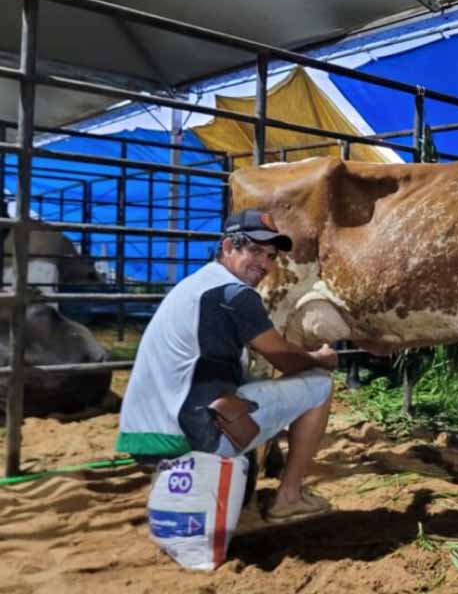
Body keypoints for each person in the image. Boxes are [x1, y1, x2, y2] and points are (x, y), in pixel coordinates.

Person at [117, 208, 338, 523]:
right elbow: (286, 360)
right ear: (227, 247)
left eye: (271, 256)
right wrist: (321, 358)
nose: (264, 263)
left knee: (241, 387)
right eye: (255, 250)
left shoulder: (197, 284)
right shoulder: (235, 295)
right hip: (185, 436)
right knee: (320, 384)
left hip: (143, 434)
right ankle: (289, 497)